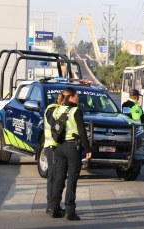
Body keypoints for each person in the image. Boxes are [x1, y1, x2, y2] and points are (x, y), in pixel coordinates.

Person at [51, 87, 92, 221]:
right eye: (77, 95)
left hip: (59, 148)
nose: (78, 98)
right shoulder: (76, 111)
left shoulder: (57, 109)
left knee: (59, 178)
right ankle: (70, 211)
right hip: (72, 147)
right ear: (72, 97)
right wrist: (88, 149)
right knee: (72, 180)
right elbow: (82, 132)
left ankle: (55, 209)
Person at [44, 92, 65, 217]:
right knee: (53, 176)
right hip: (52, 146)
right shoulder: (51, 109)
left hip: (60, 148)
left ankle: (55, 205)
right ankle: (51, 205)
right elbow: (56, 125)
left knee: (59, 177)